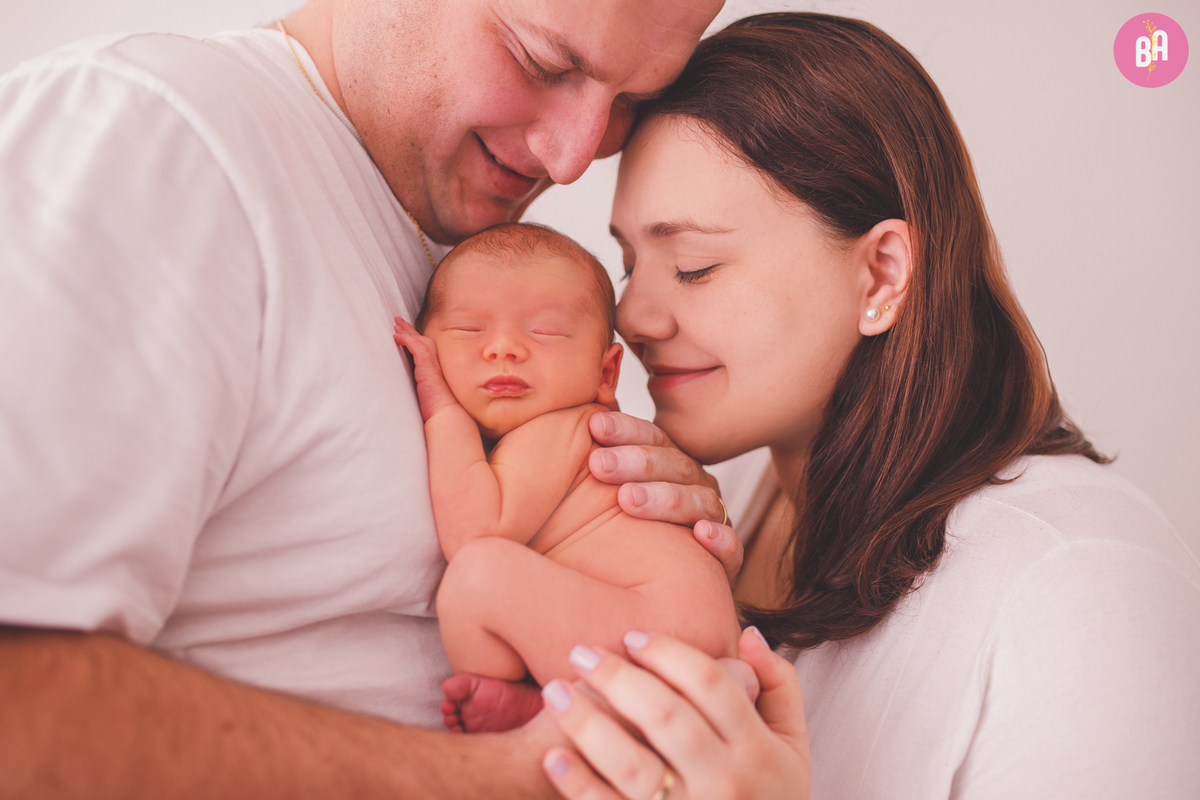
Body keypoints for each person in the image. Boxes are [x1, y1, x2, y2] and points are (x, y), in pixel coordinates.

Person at [0, 0, 742, 795]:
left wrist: (648, 521)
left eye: (631, 101)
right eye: (542, 62)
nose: (572, 159)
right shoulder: (149, 142)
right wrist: (507, 778)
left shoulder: (439, 240)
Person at [531, 13, 1200, 800]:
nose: (632, 316)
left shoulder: (1075, 585)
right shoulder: (718, 506)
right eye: (628, 262)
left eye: (693, 265)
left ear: (882, 273)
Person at [394, 223, 740, 733]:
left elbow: (472, 532)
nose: (504, 347)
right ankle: (543, 702)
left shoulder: (562, 428)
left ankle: (541, 709)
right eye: (469, 329)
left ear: (605, 374)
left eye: (546, 332)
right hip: (670, 634)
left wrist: (442, 407)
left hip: (663, 632)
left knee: (475, 574)